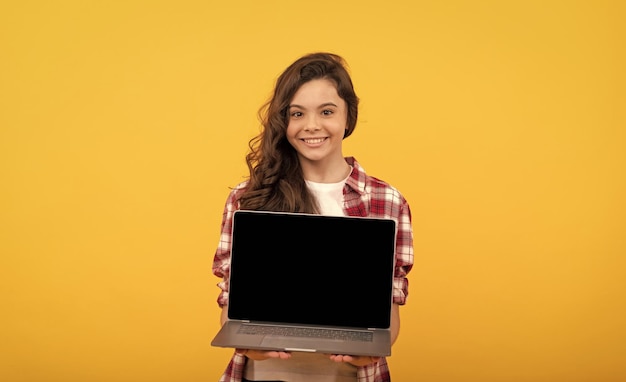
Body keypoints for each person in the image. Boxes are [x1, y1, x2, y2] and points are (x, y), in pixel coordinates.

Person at [212, 52, 414, 382]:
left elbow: (388, 312)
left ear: (348, 117)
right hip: (263, 375)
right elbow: (230, 306)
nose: (312, 125)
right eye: (297, 113)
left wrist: (371, 350)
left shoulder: (387, 200)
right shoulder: (247, 197)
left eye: (327, 111)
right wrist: (247, 345)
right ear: (283, 121)